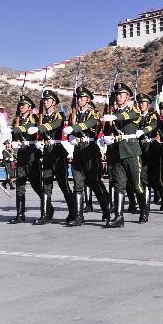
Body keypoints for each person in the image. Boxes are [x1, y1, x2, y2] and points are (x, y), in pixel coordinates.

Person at [100, 82, 148, 227]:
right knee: (118, 185)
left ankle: (144, 209)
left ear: (127, 97)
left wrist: (114, 117)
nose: (118, 97)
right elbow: (109, 132)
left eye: (121, 94)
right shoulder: (112, 113)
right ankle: (118, 217)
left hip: (131, 152)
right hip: (116, 153)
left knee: (136, 184)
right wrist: (106, 138)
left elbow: (132, 115)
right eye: (117, 94)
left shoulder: (134, 110)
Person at [62, 86, 110, 225]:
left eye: (82, 97)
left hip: (90, 150)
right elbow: (71, 130)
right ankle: (78, 216)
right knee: (78, 183)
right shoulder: (74, 114)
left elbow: (90, 124)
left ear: (88, 100)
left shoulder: (93, 113)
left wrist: (74, 128)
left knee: (94, 183)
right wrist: (71, 136)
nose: (79, 99)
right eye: (78, 97)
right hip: (78, 151)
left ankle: (106, 210)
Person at [26, 90, 75, 225]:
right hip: (47, 153)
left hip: (58, 152)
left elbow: (55, 125)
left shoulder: (59, 115)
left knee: (64, 185)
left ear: (54, 102)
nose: (45, 102)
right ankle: (45, 214)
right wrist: (38, 140)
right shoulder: (41, 117)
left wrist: (39, 128)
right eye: (44, 100)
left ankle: (73, 212)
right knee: (46, 185)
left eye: (48, 100)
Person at [9, 95, 44, 224]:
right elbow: (15, 135)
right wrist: (14, 142)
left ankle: (47, 209)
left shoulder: (34, 118)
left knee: (36, 184)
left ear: (29, 107)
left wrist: (16, 129)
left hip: (32, 155)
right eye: (20, 105)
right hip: (22, 155)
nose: (21, 107)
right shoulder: (16, 120)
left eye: (23, 105)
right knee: (20, 185)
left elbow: (28, 129)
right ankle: (20, 214)